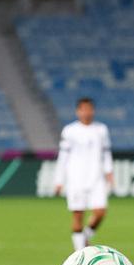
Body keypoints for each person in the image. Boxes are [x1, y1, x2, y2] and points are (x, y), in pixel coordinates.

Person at [53, 97, 114, 251]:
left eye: (89, 109)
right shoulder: (69, 131)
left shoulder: (101, 129)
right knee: (78, 215)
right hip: (76, 179)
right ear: (78, 111)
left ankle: (84, 238)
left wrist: (109, 172)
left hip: (96, 178)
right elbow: (63, 157)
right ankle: (79, 251)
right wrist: (59, 180)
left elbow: (106, 153)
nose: (87, 112)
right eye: (84, 109)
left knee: (100, 212)